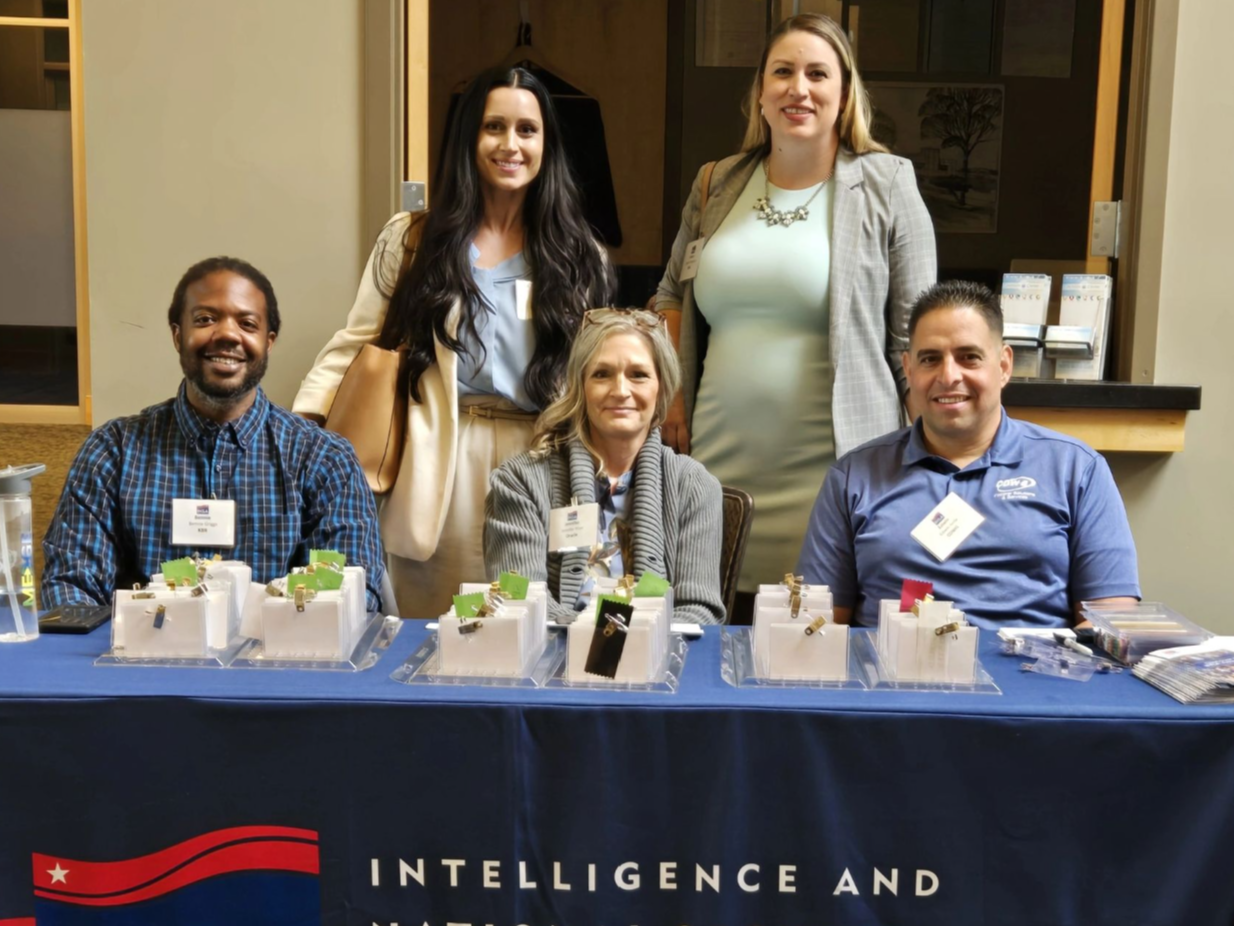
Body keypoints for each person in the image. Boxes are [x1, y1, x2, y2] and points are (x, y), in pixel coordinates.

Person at [293, 66, 613, 618]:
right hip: (438, 452)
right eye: (494, 127)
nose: (510, 145)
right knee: (432, 620)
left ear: (547, 144)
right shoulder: (414, 238)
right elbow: (356, 342)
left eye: (527, 130)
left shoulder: (579, 254)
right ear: (469, 137)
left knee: (525, 617)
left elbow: (596, 371)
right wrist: (304, 430)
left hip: (538, 458)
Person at [655, 13, 936, 614]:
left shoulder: (886, 184)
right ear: (760, 91)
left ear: (844, 93)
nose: (798, 88)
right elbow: (670, 295)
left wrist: (924, 463)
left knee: (811, 650)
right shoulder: (716, 184)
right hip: (716, 466)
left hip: (834, 470)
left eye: (817, 74)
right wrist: (671, 395)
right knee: (708, 635)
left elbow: (916, 339)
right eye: (782, 72)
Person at [42, 257, 386, 611]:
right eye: (205, 319)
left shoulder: (324, 459)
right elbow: (70, 587)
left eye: (247, 323)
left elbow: (352, 597)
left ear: (268, 343)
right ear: (178, 335)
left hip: (281, 662)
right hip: (142, 661)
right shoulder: (113, 451)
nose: (226, 334)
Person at [796, 280, 1141, 629]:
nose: (949, 376)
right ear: (909, 369)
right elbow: (820, 623)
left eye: (969, 357)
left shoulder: (1076, 469)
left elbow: (1110, 619)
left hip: (1032, 675)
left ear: (1004, 365)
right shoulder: (852, 477)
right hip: (892, 675)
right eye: (930, 359)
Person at [484, 309, 725, 625]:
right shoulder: (519, 482)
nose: (620, 391)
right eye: (602, 374)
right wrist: (610, 645)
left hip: (660, 667)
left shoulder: (695, 486)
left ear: (662, 389)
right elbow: (519, 598)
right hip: (550, 666)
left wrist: (621, 649)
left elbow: (698, 610)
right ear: (580, 387)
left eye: (638, 374)